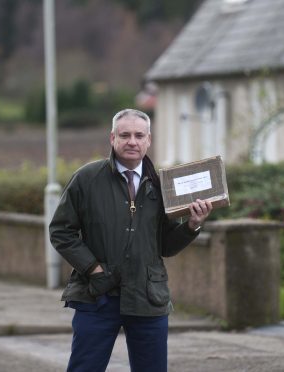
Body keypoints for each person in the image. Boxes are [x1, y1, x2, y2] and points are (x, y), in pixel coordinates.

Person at [49, 108, 213, 372]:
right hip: (97, 295)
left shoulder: (162, 186)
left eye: (139, 135)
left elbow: (166, 246)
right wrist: (94, 269)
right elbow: (61, 231)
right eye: (125, 135)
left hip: (148, 298)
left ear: (149, 140)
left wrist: (192, 225)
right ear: (112, 138)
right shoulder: (87, 179)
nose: (132, 141)